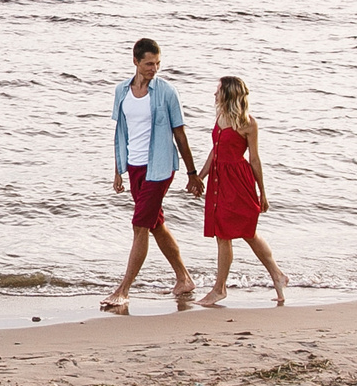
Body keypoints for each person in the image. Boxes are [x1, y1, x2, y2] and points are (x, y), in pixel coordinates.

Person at [103, 38, 203, 310]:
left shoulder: (167, 92)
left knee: (140, 225)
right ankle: (184, 279)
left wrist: (192, 173)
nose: (154, 68)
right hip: (134, 166)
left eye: (158, 63)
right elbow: (120, 132)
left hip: (159, 167)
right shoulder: (121, 91)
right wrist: (118, 171)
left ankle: (123, 290)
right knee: (155, 223)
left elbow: (179, 133)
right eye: (149, 63)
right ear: (135, 61)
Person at [198, 75, 288, 307]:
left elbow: (255, 159)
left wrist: (263, 193)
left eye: (218, 90)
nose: (214, 94)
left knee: (242, 232)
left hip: (238, 182)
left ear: (228, 93)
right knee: (229, 234)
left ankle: (220, 289)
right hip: (219, 181)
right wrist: (200, 177)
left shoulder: (248, 123)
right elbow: (215, 151)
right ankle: (277, 275)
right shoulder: (220, 117)